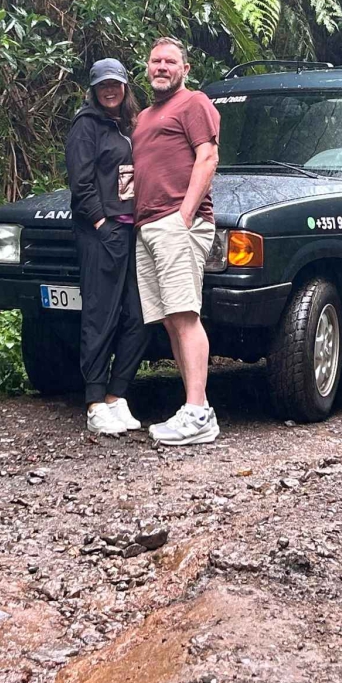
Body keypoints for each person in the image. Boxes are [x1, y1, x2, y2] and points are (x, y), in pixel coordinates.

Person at [132, 37, 221, 446]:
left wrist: (184, 216)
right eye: (156, 61)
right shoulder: (144, 117)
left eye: (170, 61)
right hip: (148, 226)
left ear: (184, 69)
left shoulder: (194, 102)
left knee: (185, 315)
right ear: (147, 67)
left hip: (177, 223)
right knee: (170, 319)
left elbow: (208, 157)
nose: (161, 67)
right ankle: (196, 410)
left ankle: (198, 412)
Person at [64, 58, 153, 436]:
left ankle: (117, 395)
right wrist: (101, 222)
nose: (110, 90)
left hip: (133, 230)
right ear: (94, 89)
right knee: (100, 315)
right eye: (103, 85)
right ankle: (95, 401)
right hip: (101, 232)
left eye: (115, 84)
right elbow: (80, 182)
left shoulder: (131, 124)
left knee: (139, 314)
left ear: (125, 86)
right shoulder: (86, 125)